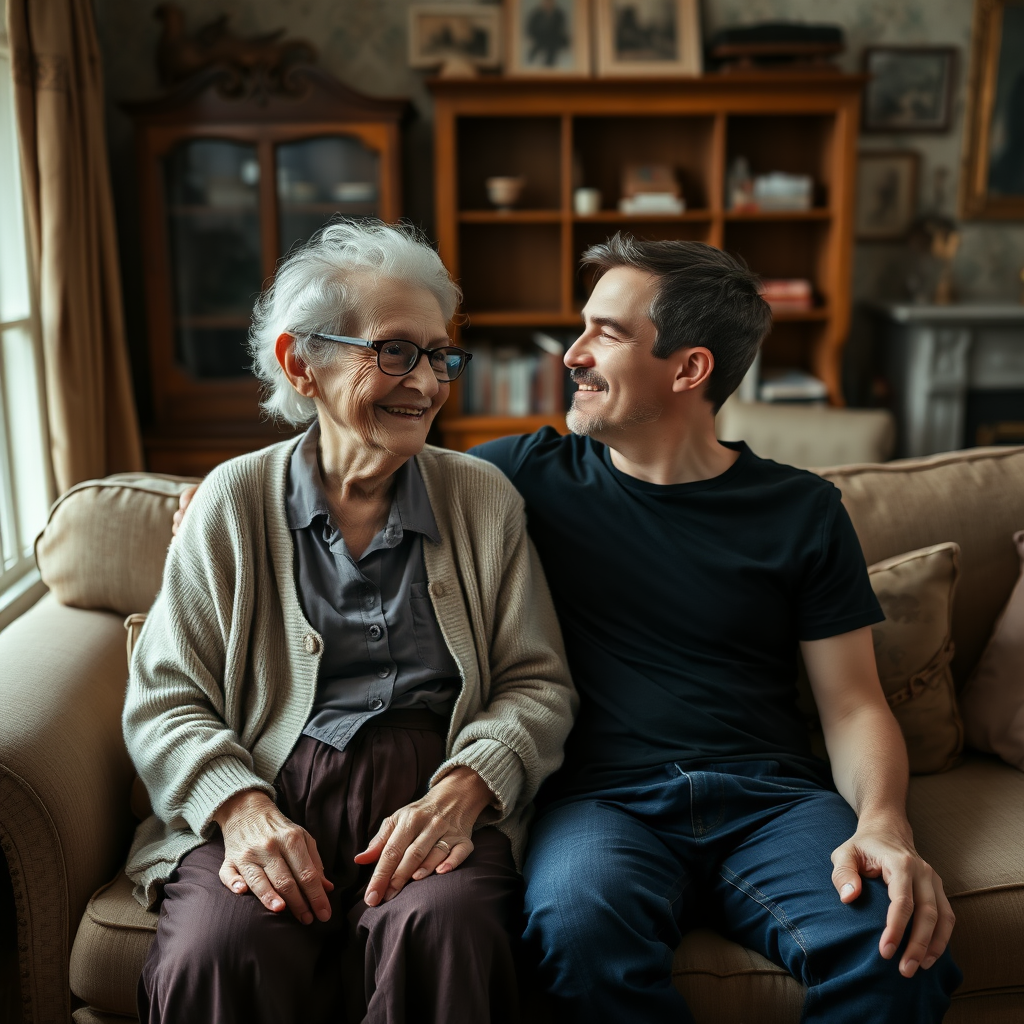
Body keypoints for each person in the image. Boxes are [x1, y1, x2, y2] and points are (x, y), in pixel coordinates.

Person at [465, 236, 962, 1022]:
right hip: (602, 803)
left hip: (772, 802)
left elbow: (854, 703)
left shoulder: (802, 511)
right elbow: (365, 479)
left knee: (898, 947)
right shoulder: (515, 478)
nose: (572, 354)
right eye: (581, 326)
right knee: (576, 931)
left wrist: (884, 825)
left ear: (689, 369)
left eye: (608, 332)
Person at [127, 219, 576, 1024]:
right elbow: (164, 699)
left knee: (449, 932)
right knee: (215, 952)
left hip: (432, 795)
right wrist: (241, 810)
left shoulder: (482, 500)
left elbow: (536, 685)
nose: (429, 382)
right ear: (302, 363)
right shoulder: (232, 501)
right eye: (396, 350)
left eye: (440, 354)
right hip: (269, 785)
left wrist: (468, 789)